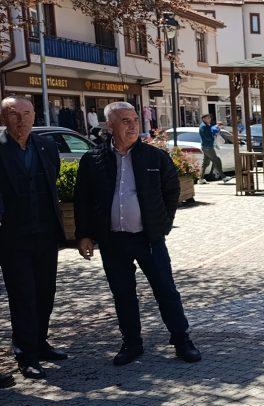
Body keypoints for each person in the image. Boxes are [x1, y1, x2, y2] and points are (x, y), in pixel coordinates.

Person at [74, 102, 202, 366]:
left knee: (165, 290)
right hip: (112, 240)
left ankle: (182, 340)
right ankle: (131, 343)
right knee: (123, 294)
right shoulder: (93, 159)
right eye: (125, 121)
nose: (133, 125)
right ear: (110, 125)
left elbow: (171, 191)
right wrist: (84, 234)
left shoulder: (155, 157)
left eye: (134, 120)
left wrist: (162, 224)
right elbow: (82, 199)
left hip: (149, 238)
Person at [0, 96, 67, 380]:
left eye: (26, 113)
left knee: (45, 293)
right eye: (14, 114)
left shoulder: (46, 146)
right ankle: (25, 355)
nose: (22, 120)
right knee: (23, 296)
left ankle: (40, 343)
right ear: (3, 118)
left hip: (45, 234)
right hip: (12, 238)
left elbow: (52, 181)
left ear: (34, 115)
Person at [198, 114, 224, 183]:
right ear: (203, 119)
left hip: (206, 146)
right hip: (208, 147)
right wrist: (214, 137)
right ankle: (224, 177)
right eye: (208, 118)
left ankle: (201, 179)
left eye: (210, 118)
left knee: (205, 163)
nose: (209, 119)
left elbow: (211, 132)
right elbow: (208, 137)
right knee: (217, 160)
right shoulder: (203, 126)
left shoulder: (206, 126)